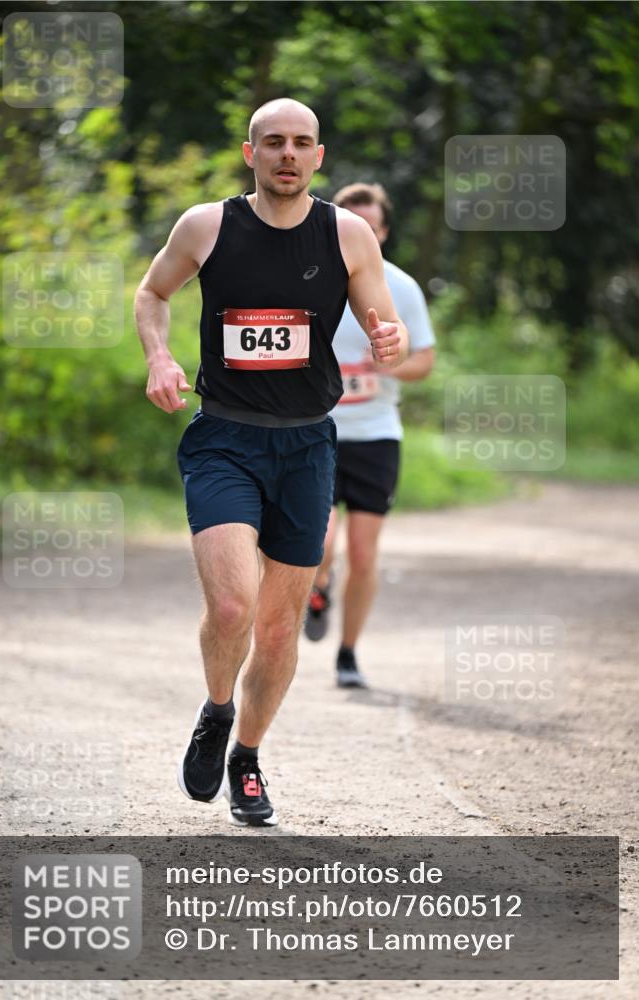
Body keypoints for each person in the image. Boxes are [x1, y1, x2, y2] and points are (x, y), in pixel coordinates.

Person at [134, 100, 408, 827]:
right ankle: (217, 709)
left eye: (301, 143)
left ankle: (247, 758)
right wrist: (159, 355)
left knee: (281, 630)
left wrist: (392, 338)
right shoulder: (206, 226)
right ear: (249, 152)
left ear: (319, 156)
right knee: (231, 607)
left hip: (306, 443)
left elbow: (386, 322)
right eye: (273, 143)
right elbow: (153, 292)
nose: (287, 154)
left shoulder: (346, 234)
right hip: (224, 435)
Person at [304, 182, 435, 689]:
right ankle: (317, 587)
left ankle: (348, 653)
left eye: (370, 225)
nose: (361, 232)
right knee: (320, 543)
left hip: (377, 435)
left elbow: (423, 360)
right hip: (318, 429)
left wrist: (386, 366)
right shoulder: (311, 278)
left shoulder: (401, 288)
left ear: (382, 230)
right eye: (350, 221)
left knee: (363, 552)